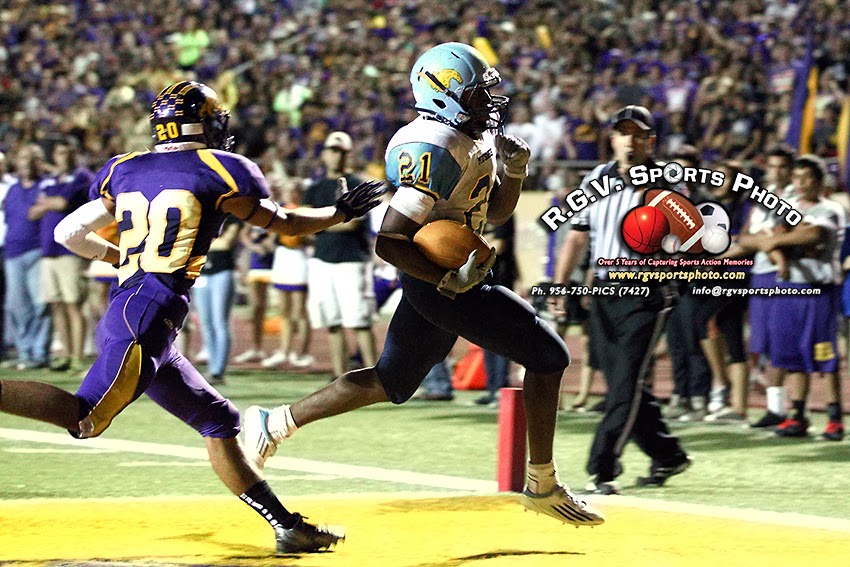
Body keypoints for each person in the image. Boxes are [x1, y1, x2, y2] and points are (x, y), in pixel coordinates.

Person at [0, 81, 384, 554]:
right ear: (201, 123)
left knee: (219, 420)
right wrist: (338, 212)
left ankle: (287, 527)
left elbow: (67, 232)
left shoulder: (124, 168)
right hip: (148, 316)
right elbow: (283, 223)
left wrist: (124, 258)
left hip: (136, 311)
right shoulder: (221, 168)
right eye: (215, 120)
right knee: (86, 419)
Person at [244, 43, 604, 528]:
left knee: (392, 381)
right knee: (549, 356)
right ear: (444, 96)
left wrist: (515, 171)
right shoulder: (433, 145)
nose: (489, 102)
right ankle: (541, 482)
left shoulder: (472, 135)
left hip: (446, 277)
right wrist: (447, 279)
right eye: (476, 94)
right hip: (437, 279)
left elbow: (496, 212)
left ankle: (275, 423)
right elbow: (390, 241)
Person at [554, 105, 690, 495]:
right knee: (619, 382)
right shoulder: (596, 178)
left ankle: (603, 468)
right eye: (623, 133)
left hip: (645, 291)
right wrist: (561, 285)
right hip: (603, 290)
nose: (630, 141)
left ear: (651, 141)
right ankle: (667, 454)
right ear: (612, 138)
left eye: (638, 134)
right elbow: (577, 235)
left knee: (626, 382)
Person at [302, 131, 378, 378]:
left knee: (359, 321)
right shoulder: (315, 188)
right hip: (322, 260)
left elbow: (352, 224)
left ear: (349, 154)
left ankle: (375, 380)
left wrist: (318, 225)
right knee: (332, 323)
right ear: (324, 154)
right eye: (332, 151)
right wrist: (327, 224)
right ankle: (340, 377)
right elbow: (304, 225)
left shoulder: (358, 184)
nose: (336, 156)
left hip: (352, 261)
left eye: (341, 151)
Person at [28, 139, 94, 372]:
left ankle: (78, 356)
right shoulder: (50, 179)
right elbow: (33, 212)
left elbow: (62, 202)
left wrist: (48, 203)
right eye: (59, 153)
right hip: (48, 251)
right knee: (56, 304)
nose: (63, 157)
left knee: (74, 304)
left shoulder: (81, 176)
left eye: (67, 152)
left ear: (75, 154)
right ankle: (65, 354)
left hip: (71, 250)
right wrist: (50, 204)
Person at [2, 145, 52, 370]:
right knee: (17, 306)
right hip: (12, 252)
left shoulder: (46, 186)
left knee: (40, 304)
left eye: (32, 158)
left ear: (39, 161)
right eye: (23, 158)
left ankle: (39, 353)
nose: (27, 163)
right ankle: (24, 352)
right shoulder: (13, 189)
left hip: (37, 250)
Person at [192, 215, 241, 385]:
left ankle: (218, 370)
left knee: (220, 321)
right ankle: (211, 367)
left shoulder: (233, 219)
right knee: (205, 323)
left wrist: (201, 243)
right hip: (202, 274)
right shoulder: (201, 215)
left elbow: (225, 244)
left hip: (222, 273)